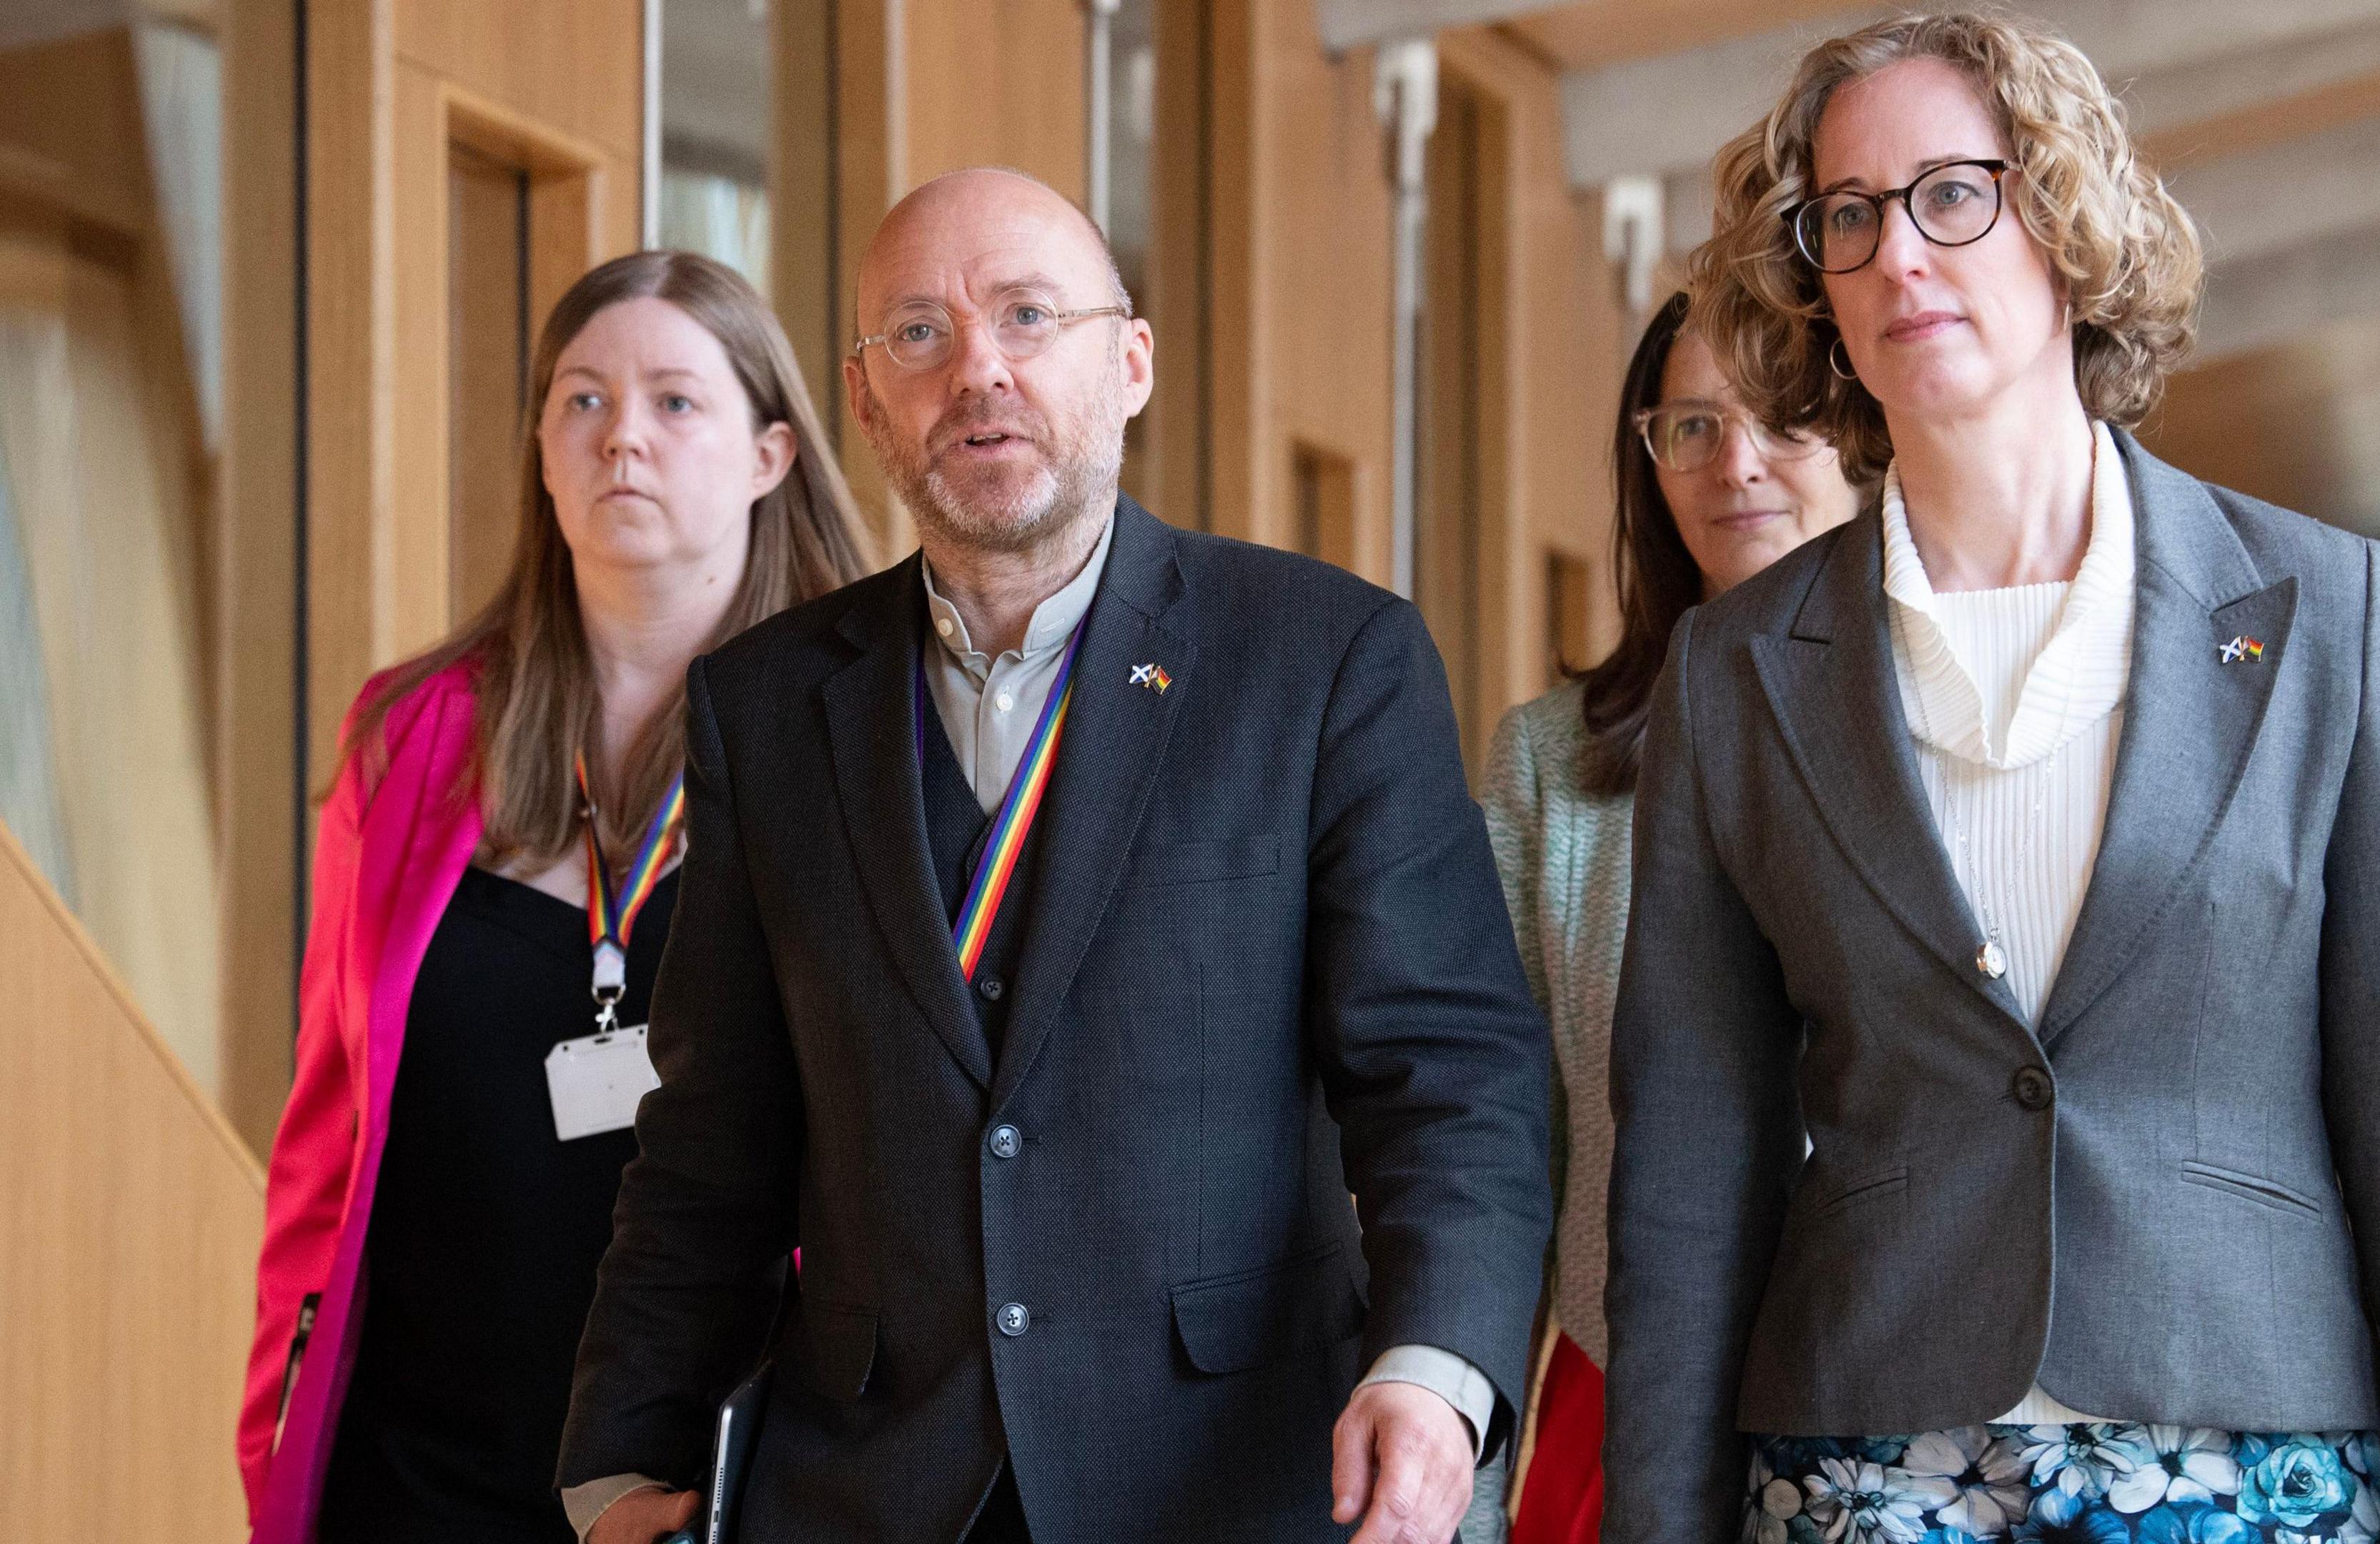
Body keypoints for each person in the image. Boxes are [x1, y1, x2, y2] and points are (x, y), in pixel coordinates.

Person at [1603, 13, 2380, 1544]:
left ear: (2061, 219)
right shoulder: (1740, 671)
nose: (1901, 254)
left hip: (2255, 1466)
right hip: (1870, 1467)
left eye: (1953, 194)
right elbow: (1687, 1179)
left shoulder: (2328, 616)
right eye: (1847, 217)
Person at [563, 167, 1552, 1544]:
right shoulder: (767, 707)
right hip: (863, 1487)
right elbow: (709, 1138)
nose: (977, 370)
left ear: (1130, 362)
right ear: (863, 398)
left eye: (1028, 317)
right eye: (918, 333)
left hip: (1235, 1476)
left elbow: (1451, 1076)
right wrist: (618, 1462)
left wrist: (1436, 1373)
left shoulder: (1327, 661)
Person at [237, 250, 871, 1544]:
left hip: (712, 1476)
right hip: (415, 1466)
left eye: (674, 401)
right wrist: (275, 1434)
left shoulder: (860, 741)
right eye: (582, 400)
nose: (622, 435)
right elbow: (324, 1130)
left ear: (771, 453)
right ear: (538, 446)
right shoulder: (411, 732)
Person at [1479, 290, 1853, 1544]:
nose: (1732, 464)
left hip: (1895, 1411)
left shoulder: (1955, 742)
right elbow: (1498, 1152)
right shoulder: (1549, 764)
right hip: (1624, 1393)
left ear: (1861, 433)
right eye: (1690, 426)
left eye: (1781, 420)